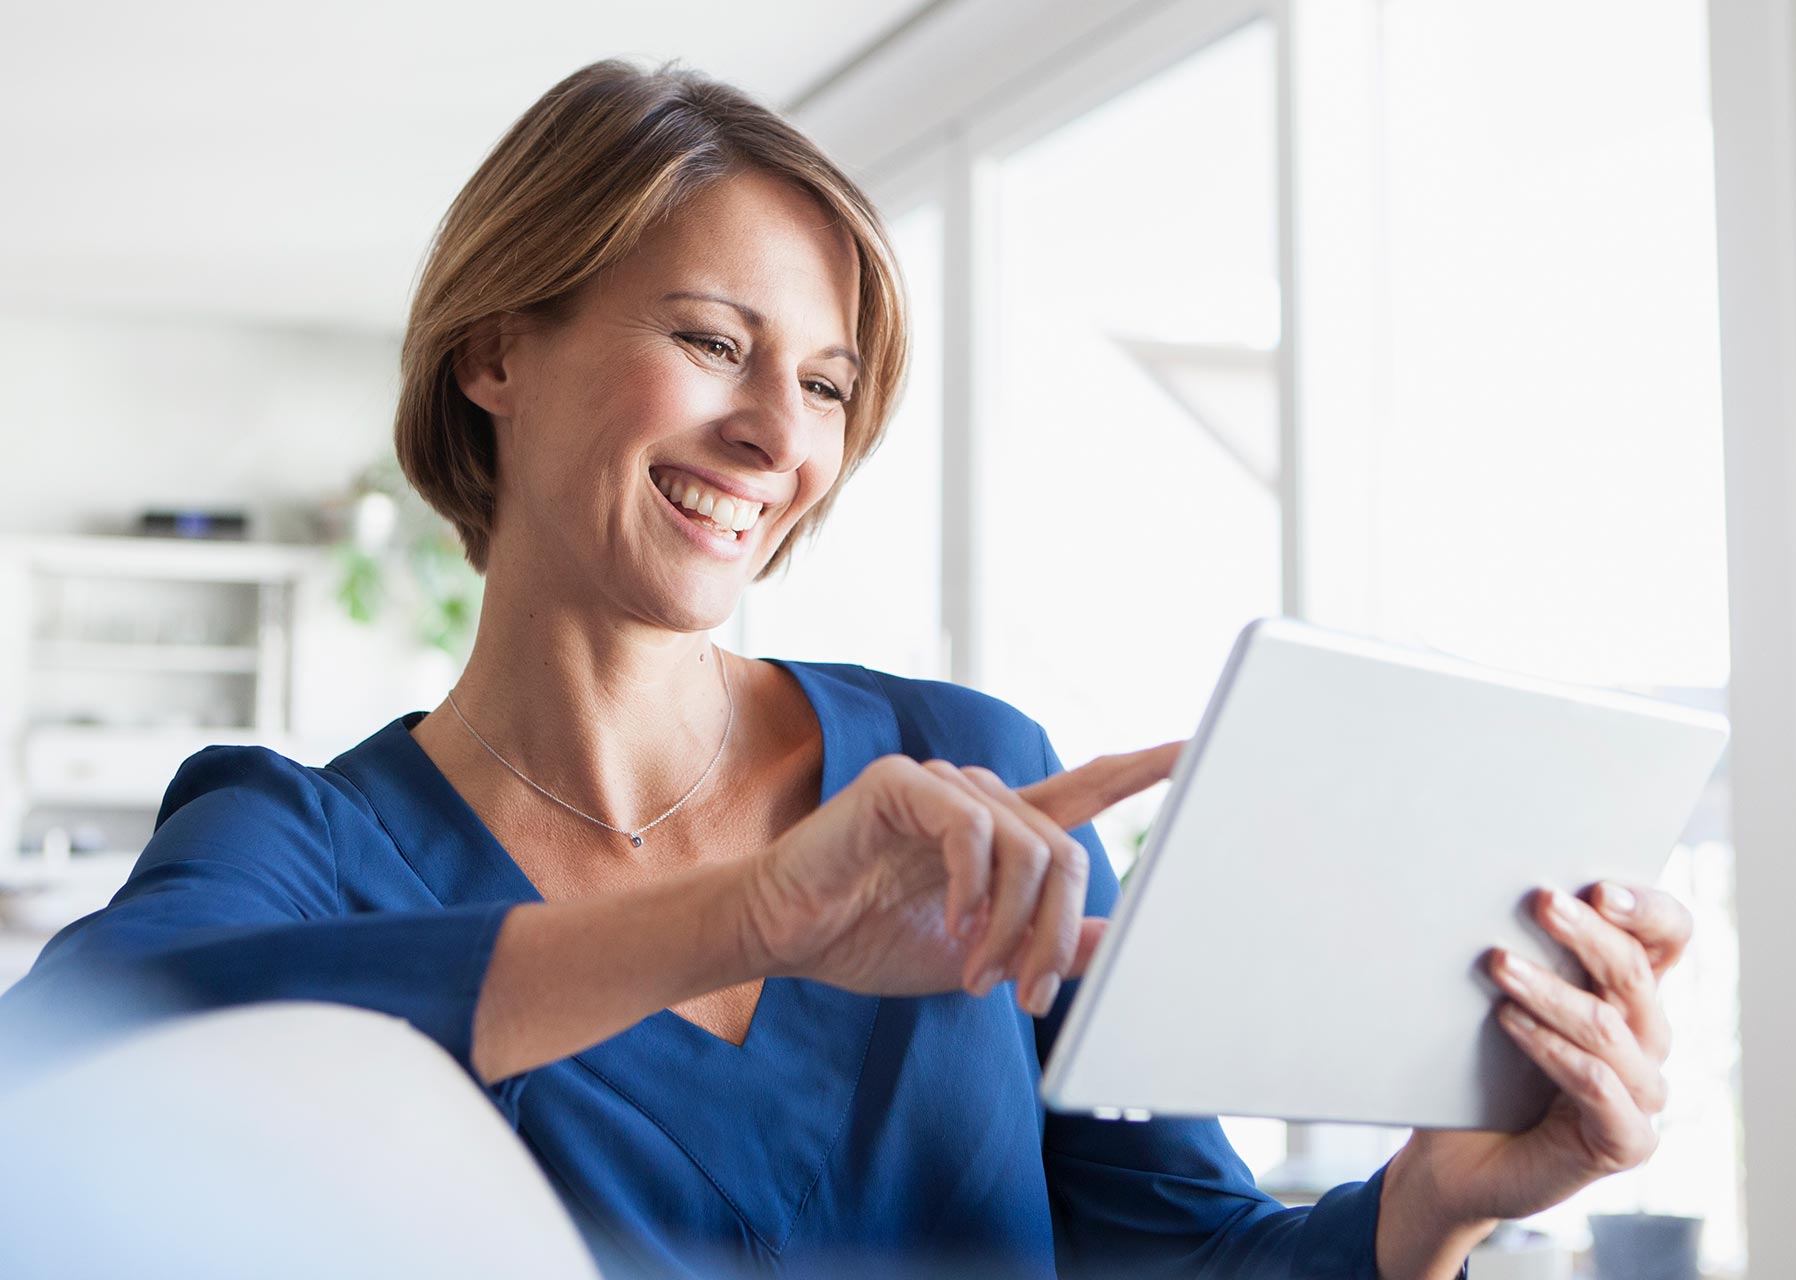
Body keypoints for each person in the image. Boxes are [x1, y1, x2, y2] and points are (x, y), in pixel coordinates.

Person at [0, 60, 1693, 1280]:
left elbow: (1176, 1258)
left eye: (825, 387)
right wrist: (753, 917)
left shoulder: (971, 772)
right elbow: (73, 1057)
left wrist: (1440, 1201)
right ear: (496, 350)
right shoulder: (299, 839)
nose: (772, 435)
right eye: (712, 343)